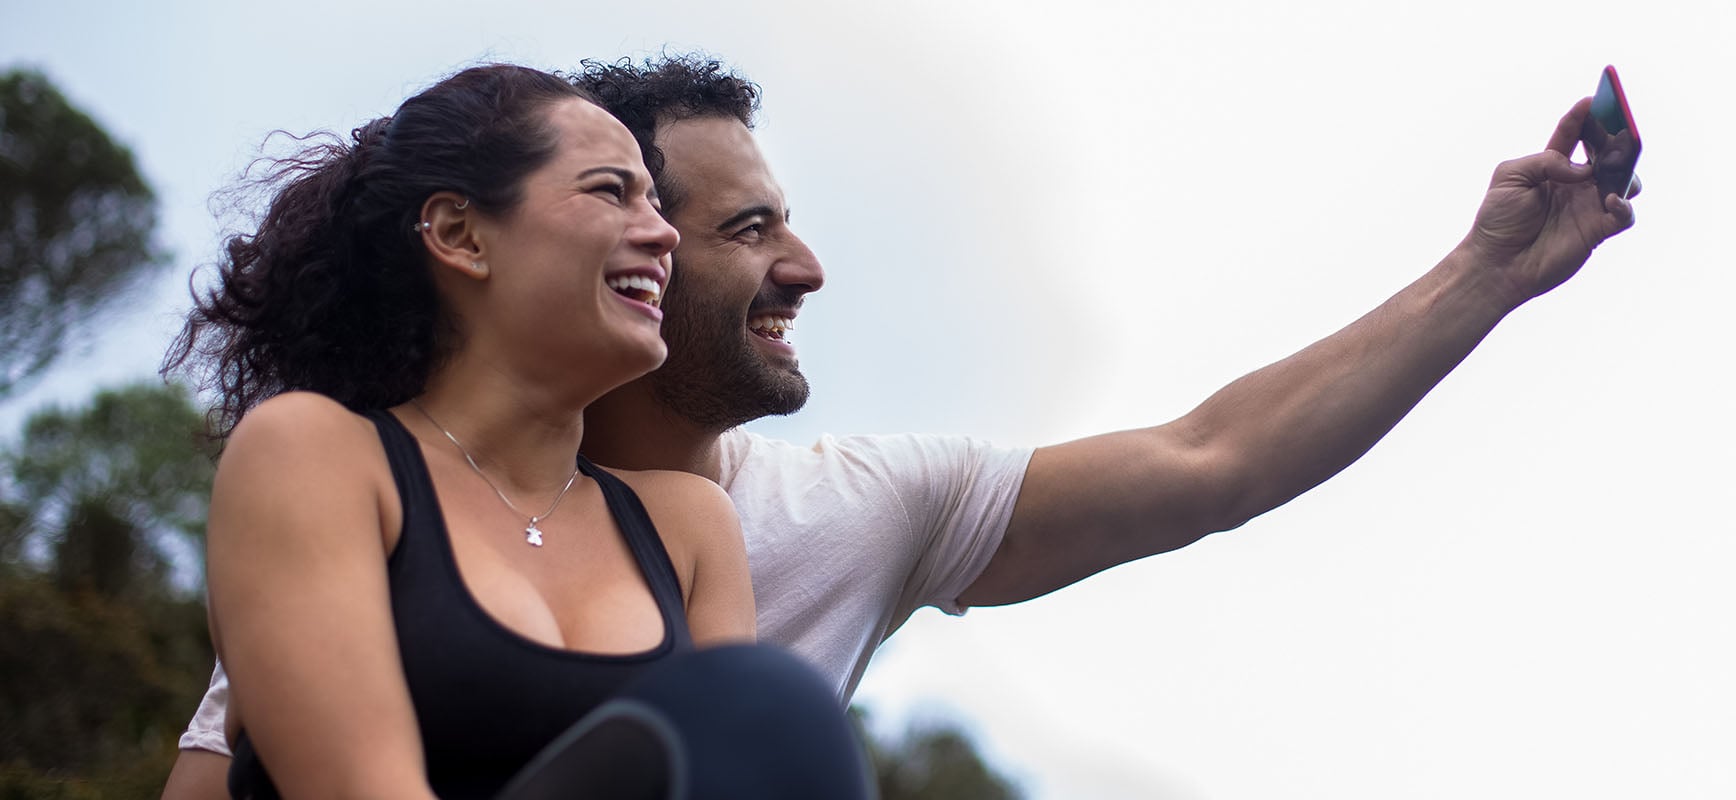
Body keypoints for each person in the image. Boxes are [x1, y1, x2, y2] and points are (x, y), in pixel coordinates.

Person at [163, 54, 1637, 796]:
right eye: (743, 227)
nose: (802, 267)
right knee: (757, 709)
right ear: (471, 238)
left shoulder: (764, 520)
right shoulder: (343, 478)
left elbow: (1211, 459)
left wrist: (1488, 270)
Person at [165, 63, 868, 798]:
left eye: (658, 204)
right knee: (774, 699)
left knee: (771, 705)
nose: (664, 235)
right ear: (460, 234)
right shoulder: (314, 455)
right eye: (611, 192)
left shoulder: (690, 526)